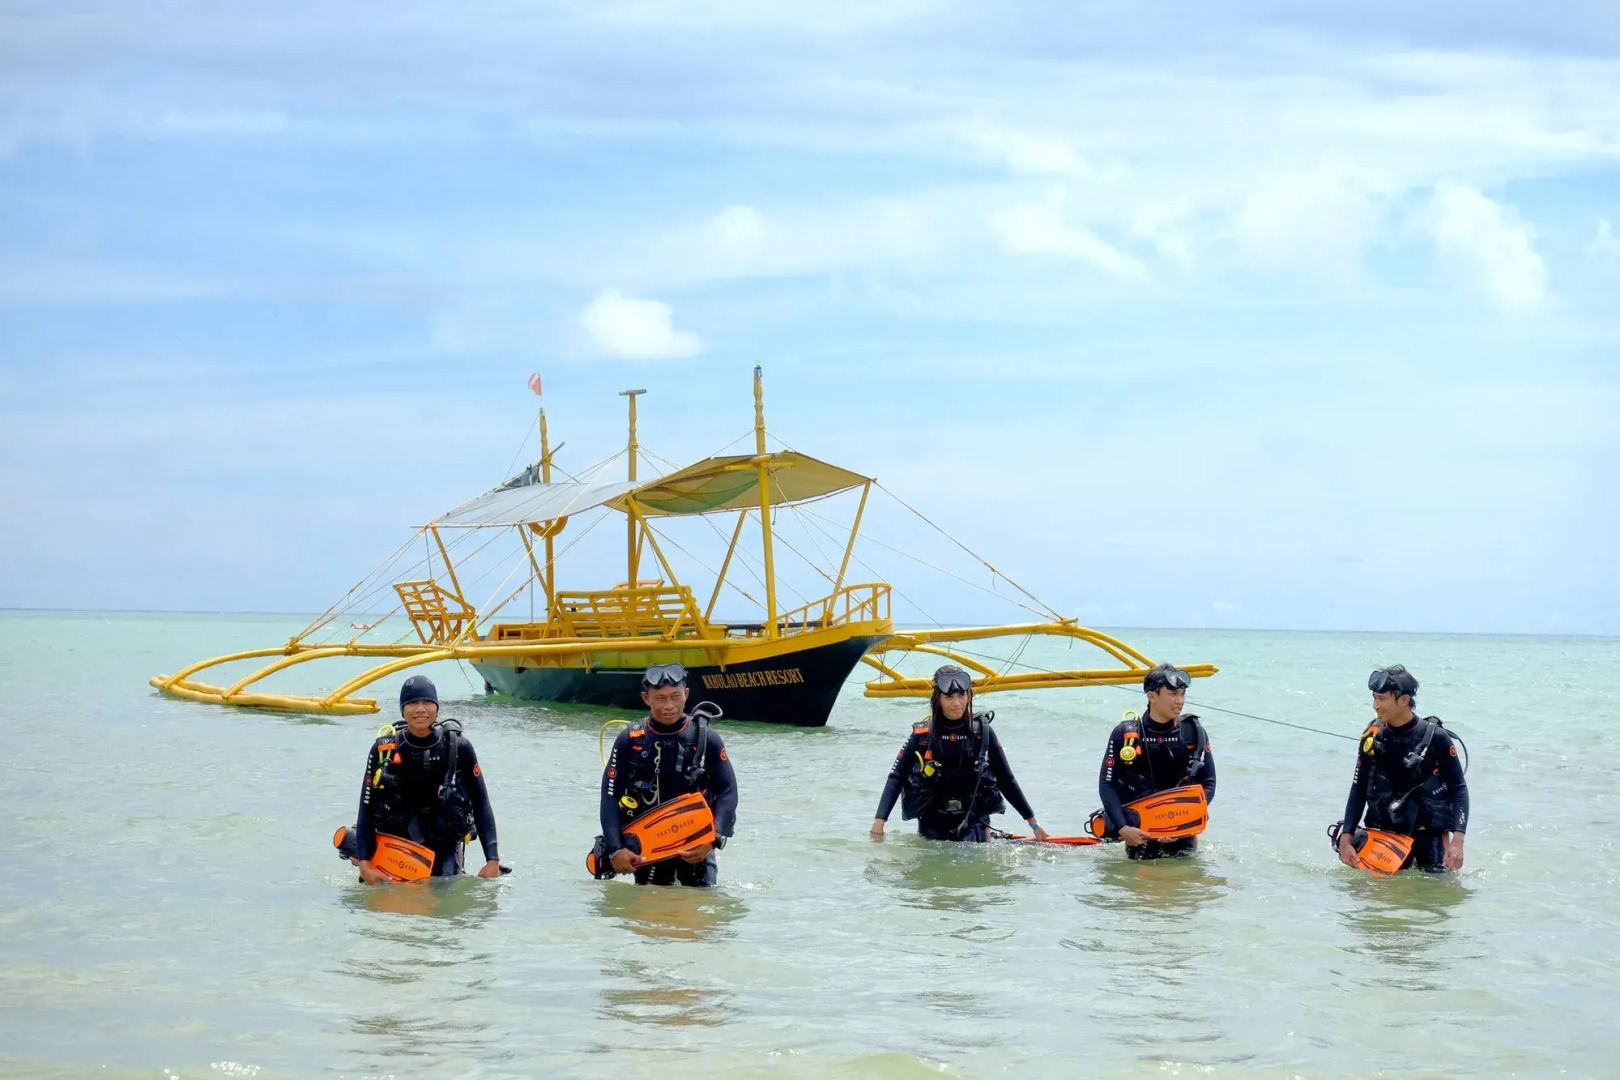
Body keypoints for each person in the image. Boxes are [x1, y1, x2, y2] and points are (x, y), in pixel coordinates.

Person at [349, 675, 502, 883]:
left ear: (437, 708)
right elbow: (366, 807)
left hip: (444, 845)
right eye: (412, 703)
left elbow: (481, 803)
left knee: (445, 904)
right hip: (395, 845)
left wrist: (492, 860)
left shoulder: (458, 748)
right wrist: (364, 864)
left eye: (427, 702)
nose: (420, 709)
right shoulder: (383, 750)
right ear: (402, 709)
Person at [870, 665, 1050, 843]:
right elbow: (896, 777)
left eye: (961, 695)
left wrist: (1034, 824)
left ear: (969, 695)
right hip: (933, 823)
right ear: (937, 698)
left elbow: (1006, 778)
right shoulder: (923, 735)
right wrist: (879, 824)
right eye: (949, 697)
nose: (957, 703)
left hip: (975, 822)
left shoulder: (982, 733)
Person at [599, 663, 738, 887]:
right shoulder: (630, 740)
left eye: (676, 696)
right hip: (648, 847)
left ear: (687, 694)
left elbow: (728, 790)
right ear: (646, 698)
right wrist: (615, 850)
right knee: (649, 917)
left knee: (701, 914)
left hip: (696, 847)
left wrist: (714, 840)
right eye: (660, 698)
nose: (669, 706)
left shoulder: (706, 738)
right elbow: (609, 795)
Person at [1337, 665, 1469, 873]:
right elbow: (1358, 789)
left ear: (1404, 701)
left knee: (1435, 899)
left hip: (1430, 840)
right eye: (1374, 698)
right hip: (1384, 840)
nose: (1375, 705)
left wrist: (1458, 840)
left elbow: (1459, 788)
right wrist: (1347, 837)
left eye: (1382, 699)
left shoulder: (1437, 738)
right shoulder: (1372, 736)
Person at [1098, 663, 1216, 859]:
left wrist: (1186, 818)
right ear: (1152, 696)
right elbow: (1107, 784)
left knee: (1190, 889)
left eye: (1182, 694)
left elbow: (1209, 782)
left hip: (1182, 834)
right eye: (1173, 694)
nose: (1180, 701)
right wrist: (1123, 828)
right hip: (1138, 836)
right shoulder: (1126, 734)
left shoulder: (1192, 733)